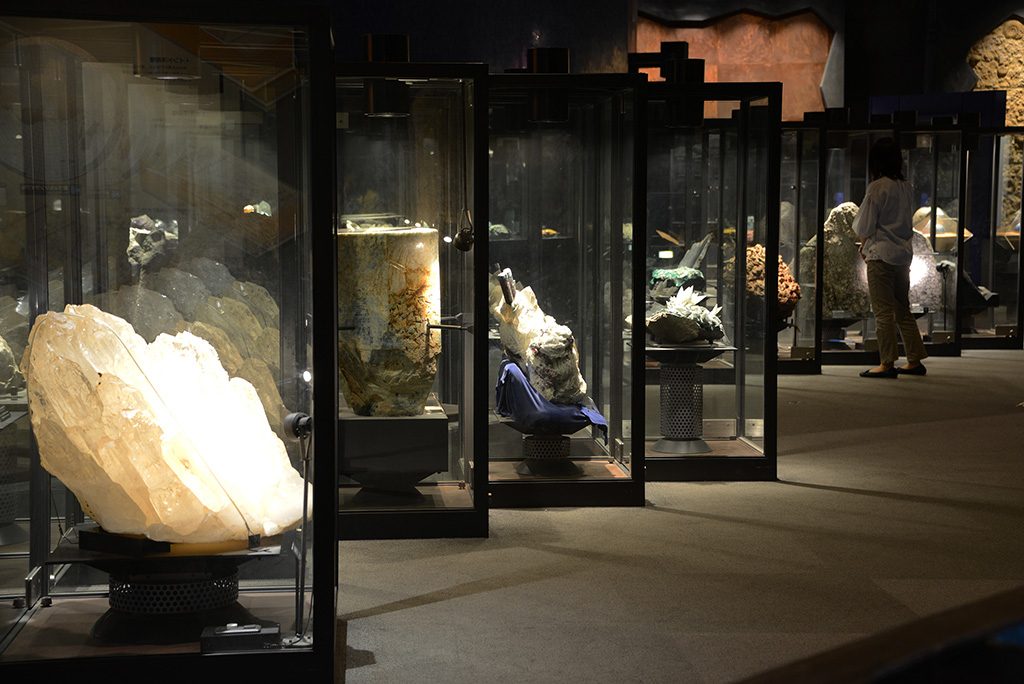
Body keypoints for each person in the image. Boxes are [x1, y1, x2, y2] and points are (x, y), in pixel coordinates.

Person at [852, 137, 928, 378]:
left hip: (880, 256)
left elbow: (863, 226)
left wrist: (863, 243)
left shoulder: (877, 187)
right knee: (902, 308)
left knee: (883, 311)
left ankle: (886, 363)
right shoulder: (906, 187)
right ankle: (914, 359)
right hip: (903, 256)